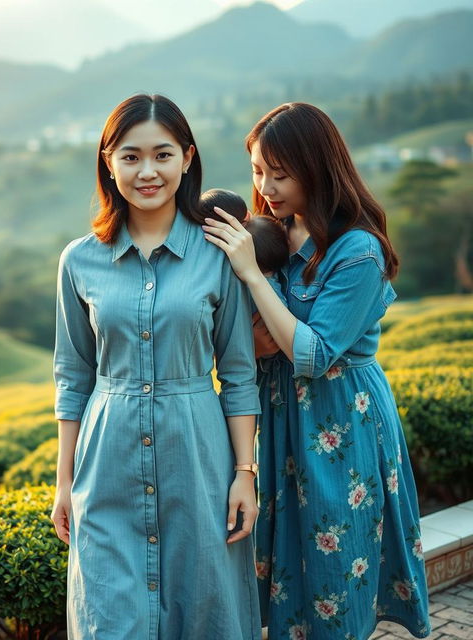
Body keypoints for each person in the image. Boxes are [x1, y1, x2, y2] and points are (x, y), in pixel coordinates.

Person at [202, 102, 431, 640]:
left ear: (320, 168)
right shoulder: (276, 234)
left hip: (339, 424)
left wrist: (252, 277)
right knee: (286, 566)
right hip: (280, 420)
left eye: (281, 173)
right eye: (259, 170)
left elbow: (311, 354)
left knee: (335, 561)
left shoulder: (359, 250)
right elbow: (254, 343)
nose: (267, 185)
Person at [51, 94, 263, 640]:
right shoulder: (79, 260)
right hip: (106, 467)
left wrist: (245, 475)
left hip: (200, 462)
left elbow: (239, 375)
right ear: (108, 162)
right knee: (109, 619)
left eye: (162, 155)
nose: (147, 171)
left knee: (204, 611)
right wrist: (63, 482)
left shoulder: (219, 256)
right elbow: (74, 377)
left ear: (187, 159)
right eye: (130, 156)